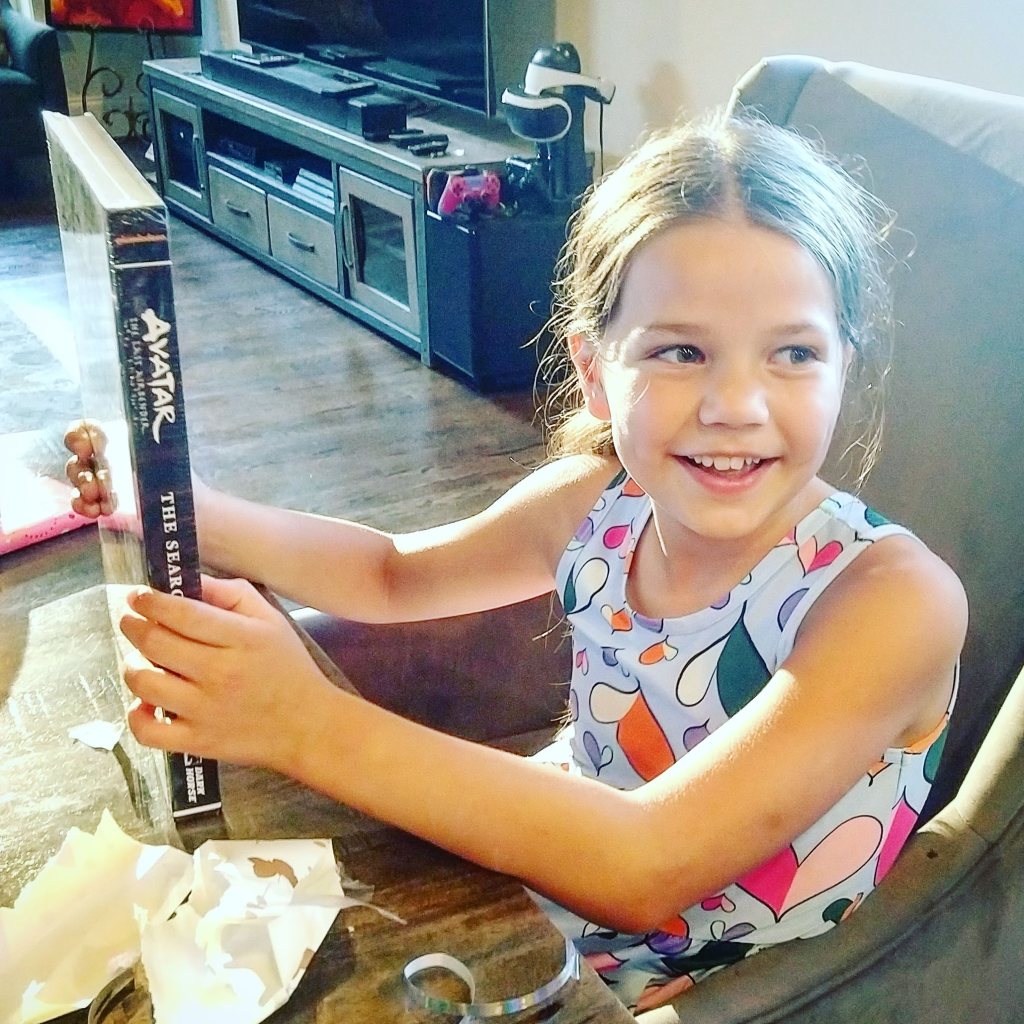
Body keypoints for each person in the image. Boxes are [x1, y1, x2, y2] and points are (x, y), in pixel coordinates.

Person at [65, 112, 966, 1016]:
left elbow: (648, 863)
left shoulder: (893, 601)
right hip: (538, 886)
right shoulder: (597, 503)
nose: (736, 403)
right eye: (681, 351)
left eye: (794, 353)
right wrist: (182, 506)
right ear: (595, 372)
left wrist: (305, 724)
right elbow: (389, 574)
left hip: (718, 986)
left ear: (843, 365)